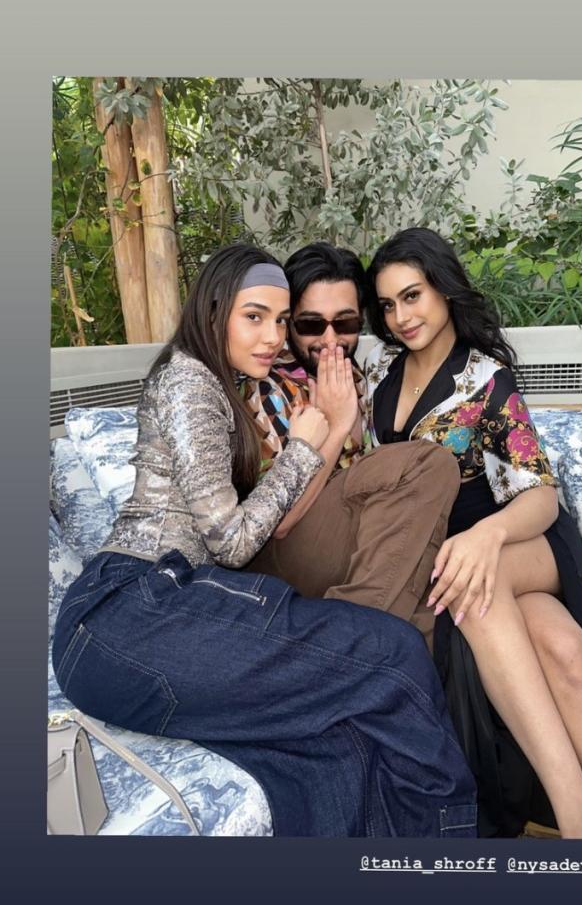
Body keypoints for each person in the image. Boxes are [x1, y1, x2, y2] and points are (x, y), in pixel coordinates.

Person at [52, 243, 477, 838]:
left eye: (280, 320)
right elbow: (231, 541)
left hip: (156, 621)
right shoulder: (189, 380)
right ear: (213, 311)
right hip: (126, 610)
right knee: (393, 652)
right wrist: (306, 444)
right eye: (254, 317)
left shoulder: (225, 386)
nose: (274, 337)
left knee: (339, 753)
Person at [366, 226, 582, 839]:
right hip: (456, 551)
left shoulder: (485, 378)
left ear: (444, 290)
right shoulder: (382, 377)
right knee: (562, 647)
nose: (401, 316)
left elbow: (541, 495)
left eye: (413, 296)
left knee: (469, 579)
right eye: (389, 304)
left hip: (523, 538)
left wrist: (487, 536)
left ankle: (577, 820)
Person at [242, 241, 461, 650]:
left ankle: (356, 661)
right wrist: (338, 424)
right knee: (429, 463)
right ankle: (345, 647)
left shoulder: (364, 376)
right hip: (282, 551)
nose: (330, 340)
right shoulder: (269, 387)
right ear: (289, 325)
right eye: (311, 325)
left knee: (433, 607)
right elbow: (277, 524)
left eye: (344, 323)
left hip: (353, 543)